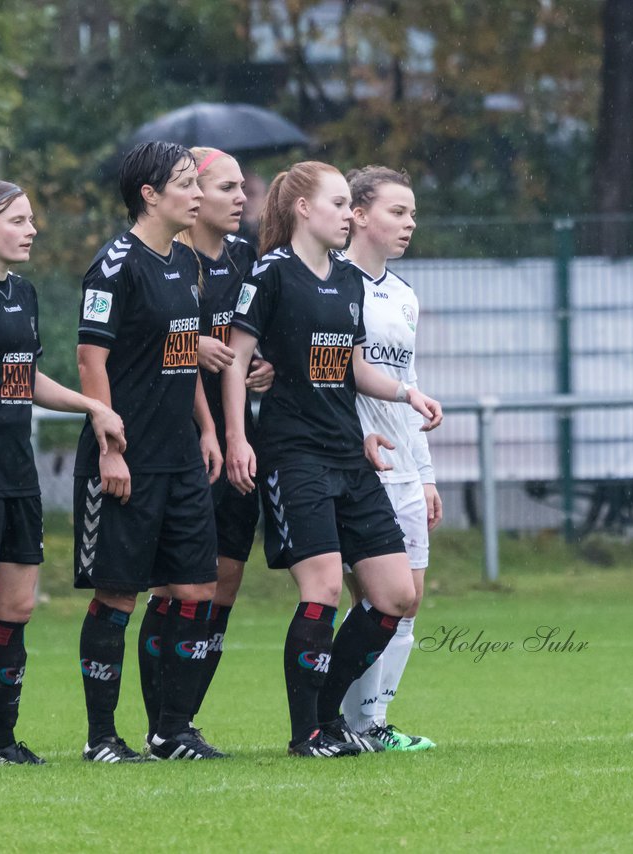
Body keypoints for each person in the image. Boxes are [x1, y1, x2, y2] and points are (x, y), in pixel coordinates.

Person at [221, 161, 443, 758]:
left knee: (396, 596)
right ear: (303, 209)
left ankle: (328, 715)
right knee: (320, 590)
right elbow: (238, 360)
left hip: (349, 453)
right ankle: (307, 735)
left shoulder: (347, 283)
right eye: (341, 204)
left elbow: (348, 364)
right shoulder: (270, 273)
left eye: (351, 204)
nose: (349, 215)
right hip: (294, 455)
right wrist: (240, 438)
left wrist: (405, 392)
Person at [0, 180, 126, 767]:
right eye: (18, 220)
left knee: (16, 608)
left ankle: (2, 741)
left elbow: (25, 381)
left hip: (17, 474)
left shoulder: (23, 293)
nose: (31, 229)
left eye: (31, 218)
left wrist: (92, 404)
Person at [73, 141, 226, 762]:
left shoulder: (180, 263)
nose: (197, 193)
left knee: (195, 594)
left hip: (181, 457)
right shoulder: (114, 265)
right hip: (128, 461)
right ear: (151, 195)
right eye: (187, 183)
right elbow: (90, 358)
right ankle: (101, 738)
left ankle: (170, 731)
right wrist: (112, 447)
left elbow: (181, 354)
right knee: (118, 596)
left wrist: (208, 429)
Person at [136, 148, 274, 744]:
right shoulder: (168, 259)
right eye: (226, 187)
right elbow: (134, 339)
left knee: (224, 584)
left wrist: (260, 364)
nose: (241, 197)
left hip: (239, 443)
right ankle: (160, 726)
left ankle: (182, 721)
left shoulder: (247, 259)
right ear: (192, 196)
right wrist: (193, 351)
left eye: (243, 186)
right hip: (181, 443)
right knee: (173, 587)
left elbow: (257, 338)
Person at [337, 166, 439, 752]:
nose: (409, 224)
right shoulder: (331, 282)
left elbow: (409, 380)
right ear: (358, 214)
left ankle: (373, 722)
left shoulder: (404, 296)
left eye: (413, 214)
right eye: (398, 212)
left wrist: (424, 474)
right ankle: (347, 722)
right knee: (371, 599)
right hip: (356, 464)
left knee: (409, 600)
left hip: (403, 465)